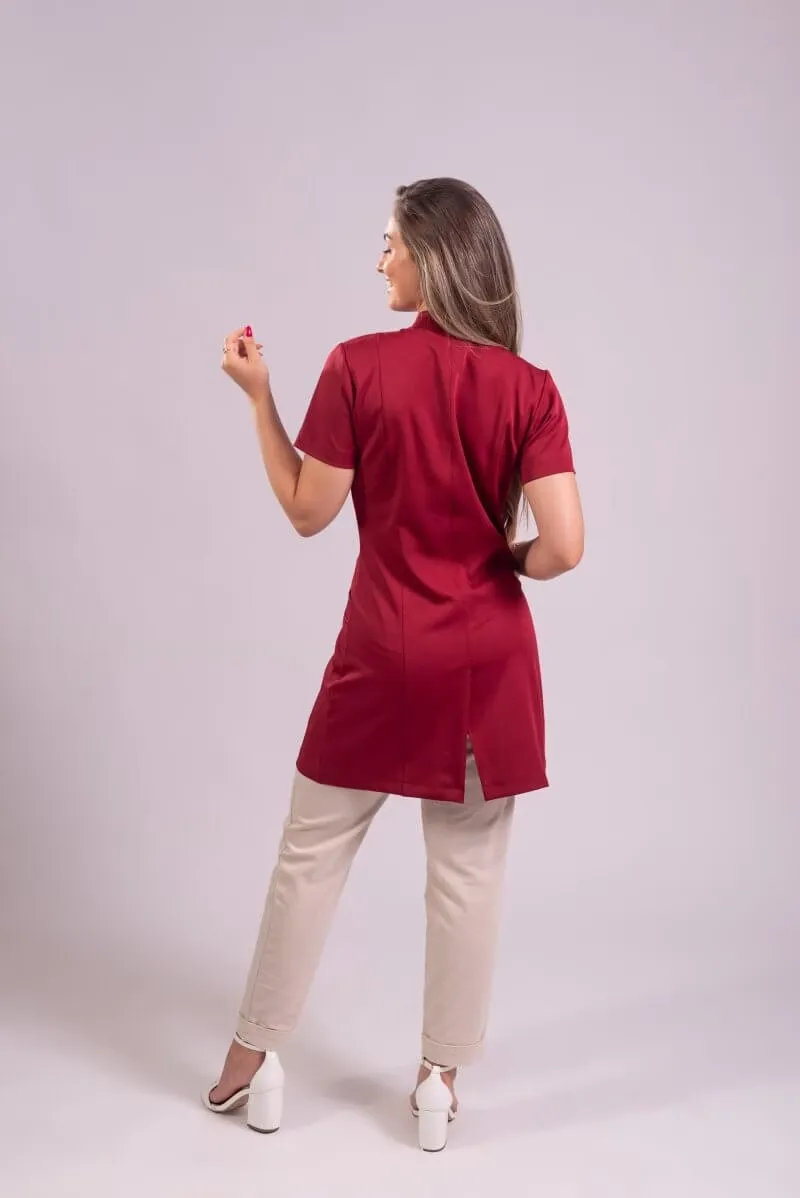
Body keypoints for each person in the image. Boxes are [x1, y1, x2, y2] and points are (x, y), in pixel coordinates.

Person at [203, 177, 584, 1152]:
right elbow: (565, 546)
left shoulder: (357, 366)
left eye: (389, 244)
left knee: (309, 855)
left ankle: (254, 1056)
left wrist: (260, 399)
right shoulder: (529, 387)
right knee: (467, 875)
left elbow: (307, 510)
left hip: (380, 653)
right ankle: (438, 1083)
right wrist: (505, 563)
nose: (379, 261)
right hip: (486, 663)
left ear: (431, 257)